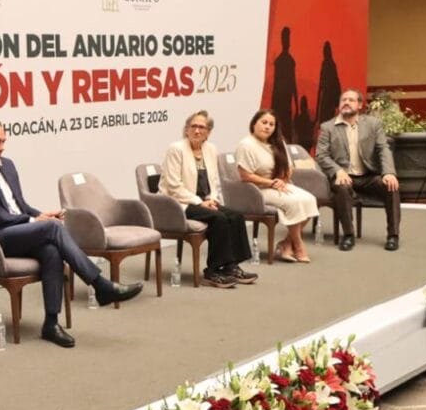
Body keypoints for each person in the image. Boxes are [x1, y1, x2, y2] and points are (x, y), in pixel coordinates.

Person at [0, 118, 143, 348]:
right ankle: (100, 284)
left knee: (51, 250)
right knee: (52, 228)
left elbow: (20, 206)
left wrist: (40, 215)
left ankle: (51, 324)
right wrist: (33, 221)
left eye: (4, 141)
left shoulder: (8, 165)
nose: (2, 147)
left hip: (18, 231)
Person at [160, 111, 258, 288]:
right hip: (178, 203)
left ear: (208, 132)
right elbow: (174, 186)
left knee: (236, 216)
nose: (197, 131)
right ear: (186, 129)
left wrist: (212, 199)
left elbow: (213, 181)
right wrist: (199, 202)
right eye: (193, 126)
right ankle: (212, 271)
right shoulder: (176, 149)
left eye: (202, 127)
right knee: (219, 218)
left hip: (203, 200)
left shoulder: (210, 149)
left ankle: (230, 267)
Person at [315, 88, 400, 251]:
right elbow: (321, 155)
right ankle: (348, 235)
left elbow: (383, 149)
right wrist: (338, 171)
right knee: (342, 187)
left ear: (360, 105)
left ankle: (393, 235)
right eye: (343, 100)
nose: (346, 103)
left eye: (351, 100)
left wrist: (389, 172)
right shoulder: (328, 127)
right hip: (343, 176)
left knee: (391, 186)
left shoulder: (372, 124)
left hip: (367, 176)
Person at [236, 109, 319, 262]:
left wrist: (282, 180)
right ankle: (298, 245)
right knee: (294, 203)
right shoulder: (246, 145)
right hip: (258, 190)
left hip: (279, 184)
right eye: (264, 122)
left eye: (271, 124)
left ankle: (286, 243)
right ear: (254, 124)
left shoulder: (278, 142)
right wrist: (271, 183)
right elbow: (245, 175)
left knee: (310, 200)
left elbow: (289, 168)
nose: (267, 127)